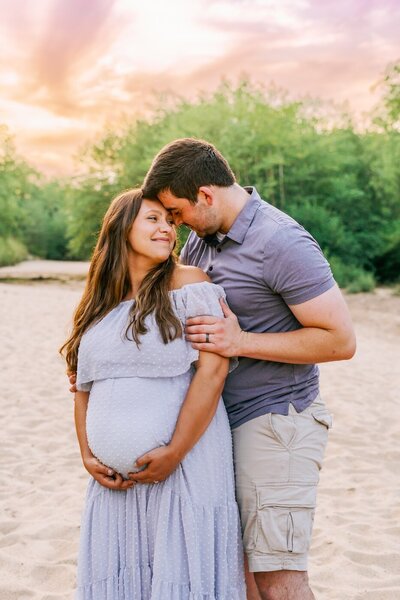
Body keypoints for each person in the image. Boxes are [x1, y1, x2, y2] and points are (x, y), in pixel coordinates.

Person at [140, 138, 356, 600]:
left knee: (278, 579)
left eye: (176, 212)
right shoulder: (202, 242)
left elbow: (340, 340)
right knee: (240, 578)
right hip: (219, 426)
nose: (175, 226)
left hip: (277, 421)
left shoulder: (281, 241)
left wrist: (240, 341)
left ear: (205, 194)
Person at [61, 189, 246, 599]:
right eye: (153, 219)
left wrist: (175, 451)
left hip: (184, 467)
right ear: (120, 227)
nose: (166, 229)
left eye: (170, 221)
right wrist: (88, 457)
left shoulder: (190, 284)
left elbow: (213, 372)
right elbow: (84, 386)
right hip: (116, 488)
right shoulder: (98, 303)